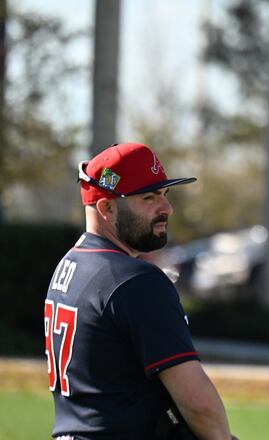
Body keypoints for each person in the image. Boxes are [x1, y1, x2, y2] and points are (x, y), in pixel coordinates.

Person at [45, 143, 234, 439]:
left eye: (164, 194)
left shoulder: (68, 266)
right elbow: (199, 405)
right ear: (106, 207)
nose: (166, 208)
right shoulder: (135, 280)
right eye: (149, 197)